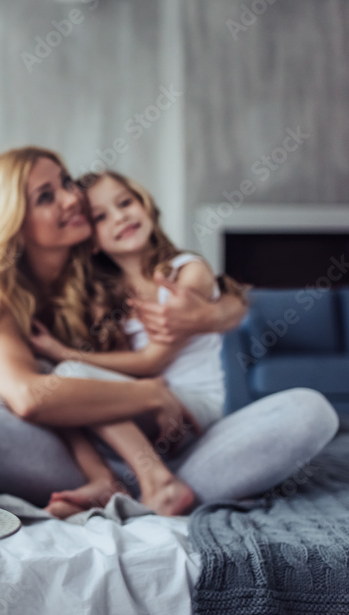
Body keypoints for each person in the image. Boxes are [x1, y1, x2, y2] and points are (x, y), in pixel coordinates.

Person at [0, 146, 339, 511]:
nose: (72, 197)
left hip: (183, 444)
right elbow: (30, 398)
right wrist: (145, 394)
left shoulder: (105, 266)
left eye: (65, 182)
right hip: (81, 460)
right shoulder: (1, 302)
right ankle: (126, 489)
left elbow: (224, 293)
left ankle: (140, 495)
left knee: (311, 411)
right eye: (47, 196)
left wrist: (210, 316)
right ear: (14, 224)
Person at [29, 170, 245, 517]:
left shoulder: (187, 272)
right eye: (101, 216)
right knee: (53, 384)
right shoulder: (110, 298)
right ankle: (104, 480)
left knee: (70, 374)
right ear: (93, 241)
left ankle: (158, 482)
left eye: (125, 202)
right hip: (149, 407)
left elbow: (152, 362)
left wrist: (62, 352)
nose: (121, 217)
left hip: (195, 407)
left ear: (144, 205)